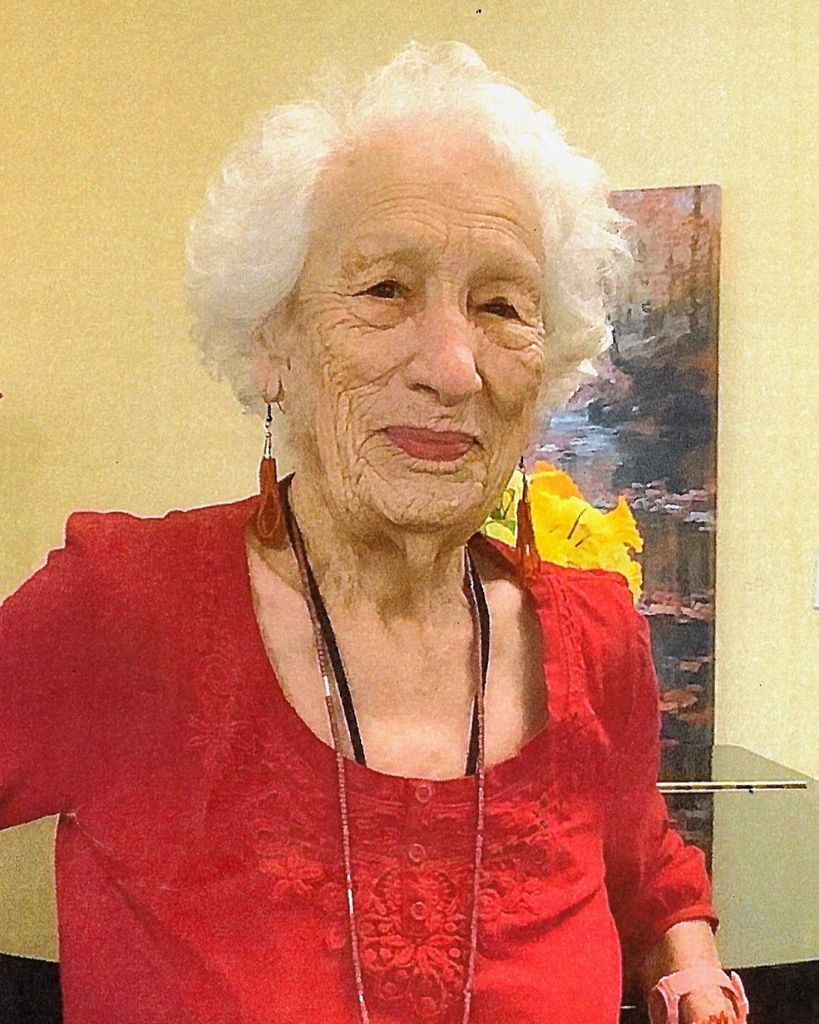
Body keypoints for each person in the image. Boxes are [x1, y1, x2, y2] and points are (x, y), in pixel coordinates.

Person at [0, 42, 747, 1024]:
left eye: (501, 306)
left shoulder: (596, 641)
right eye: (384, 291)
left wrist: (694, 972)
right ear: (272, 340)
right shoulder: (122, 612)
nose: (452, 366)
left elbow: (644, 859)